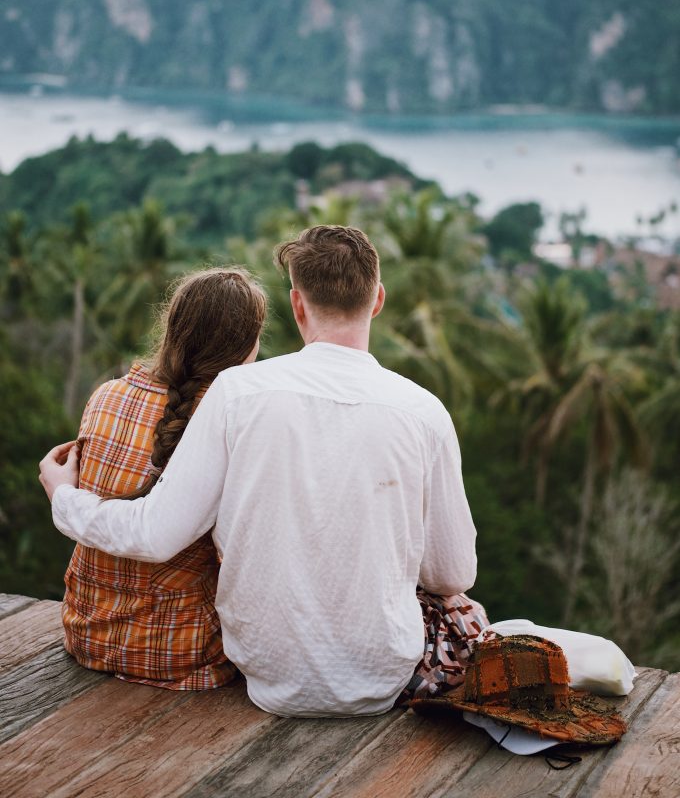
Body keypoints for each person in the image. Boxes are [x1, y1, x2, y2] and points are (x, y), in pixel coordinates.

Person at [40, 225, 487, 716]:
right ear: (377, 300)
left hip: (265, 669)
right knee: (462, 607)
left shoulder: (237, 392)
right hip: (383, 671)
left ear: (298, 305)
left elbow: (155, 534)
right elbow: (452, 572)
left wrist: (66, 497)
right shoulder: (424, 411)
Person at [50, 267, 266, 690]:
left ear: (173, 328)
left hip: (85, 632)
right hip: (183, 651)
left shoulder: (106, 395)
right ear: (246, 346)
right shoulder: (230, 421)